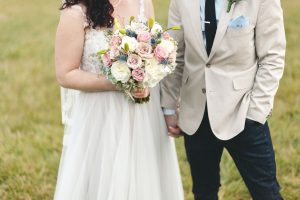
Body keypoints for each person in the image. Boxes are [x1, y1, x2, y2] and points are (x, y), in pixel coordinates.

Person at [54, 0, 183, 199]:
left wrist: (147, 79)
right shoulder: (75, 13)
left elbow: (151, 53)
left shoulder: (142, 3)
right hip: (101, 116)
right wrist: (118, 82)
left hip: (144, 115)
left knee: (144, 177)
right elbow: (65, 74)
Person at [161, 0, 286, 199]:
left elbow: (272, 56)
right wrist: (169, 107)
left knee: (265, 192)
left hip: (243, 111)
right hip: (197, 112)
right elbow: (174, 55)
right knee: (203, 192)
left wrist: (256, 111)